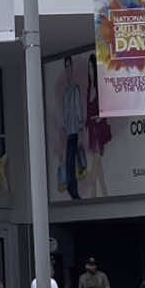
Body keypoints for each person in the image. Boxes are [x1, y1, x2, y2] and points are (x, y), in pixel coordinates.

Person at [84, 54, 111, 198]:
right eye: (88, 68)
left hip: (99, 130)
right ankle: (104, 193)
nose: (90, 71)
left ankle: (93, 193)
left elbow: (107, 106)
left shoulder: (101, 87)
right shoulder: (90, 89)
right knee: (98, 165)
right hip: (91, 130)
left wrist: (101, 117)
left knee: (96, 161)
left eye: (91, 67)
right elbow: (87, 111)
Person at [60, 53, 85, 200]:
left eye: (69, 66)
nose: (68, 69)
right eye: (66, 66)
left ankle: (73, 190)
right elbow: (65, 114)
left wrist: (80, 129)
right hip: (69, 131)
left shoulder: (74, 89)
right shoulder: (66, 92)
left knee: (72, 160)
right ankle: (72, 189)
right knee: (70, 161)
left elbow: (78, 111)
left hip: (75, 131)